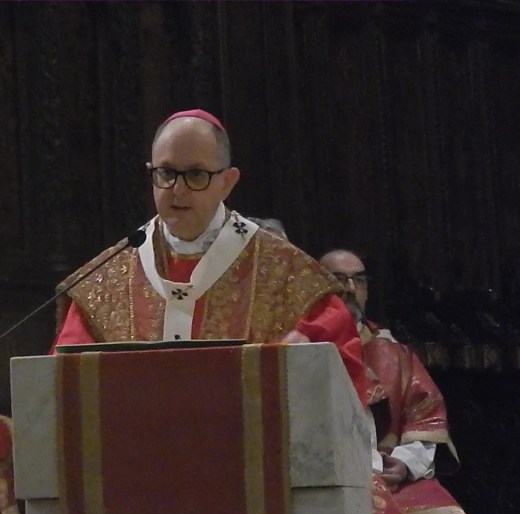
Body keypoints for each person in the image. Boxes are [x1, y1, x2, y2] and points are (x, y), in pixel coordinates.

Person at [52, 109, 369, 403]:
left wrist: (301, 369)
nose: (178, 190)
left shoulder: (289, 276)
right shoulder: (104, 283)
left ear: (227, 182)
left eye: (196, 175)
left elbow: (342, 385)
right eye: (166, 173)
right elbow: (62, 388)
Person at [319, 248, 482, 514]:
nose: (351, 288)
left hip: (393, 479)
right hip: (332, 476)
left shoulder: (393, 353)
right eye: (339, 279)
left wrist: (405, 464)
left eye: (359, 280)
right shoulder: (301, 349)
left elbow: (424, 414)